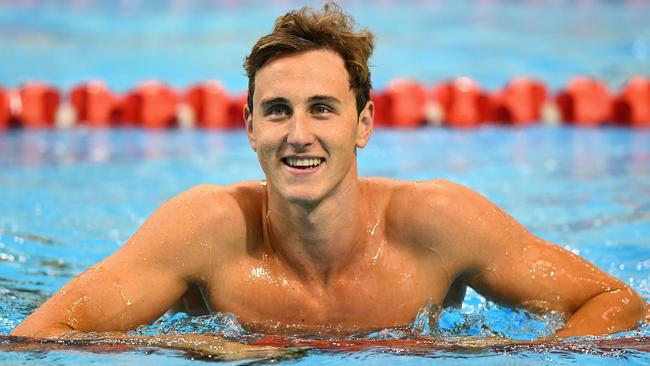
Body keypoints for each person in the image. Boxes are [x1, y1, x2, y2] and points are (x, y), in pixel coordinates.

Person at [12, 2, 649, 341]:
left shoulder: (436, 223)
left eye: (322, 109)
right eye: (278, 111)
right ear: (250, 127)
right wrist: (190, 348)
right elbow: (41, 335)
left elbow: (614, 302)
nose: (299, 135)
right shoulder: (204, 230)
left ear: (363, 124)